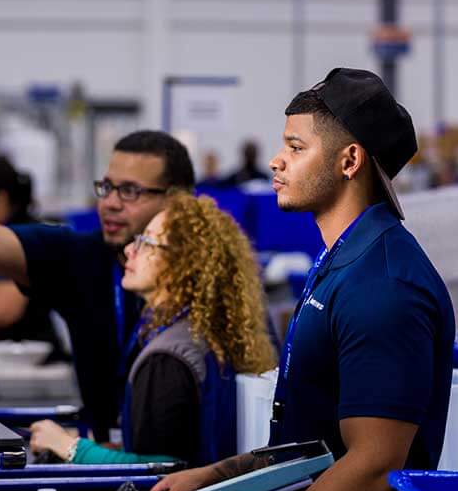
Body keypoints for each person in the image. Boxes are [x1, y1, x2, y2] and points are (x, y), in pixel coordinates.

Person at [150, 68, 456, 491]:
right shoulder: (343, 261)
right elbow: (314, 443)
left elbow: (373, 465)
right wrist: (217, 477)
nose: (276, 161)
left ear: (348, 161)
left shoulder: (384, 285)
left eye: (296, 148)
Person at [0, 131, 196, 441]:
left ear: (177, 201)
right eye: (106, 188)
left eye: (130, 191)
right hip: (111, 459)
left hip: (186, 474)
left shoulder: (211, 283)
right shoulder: (81, 258)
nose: (109, 204)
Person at [28, 193, 276, 465]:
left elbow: (159, 474)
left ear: (182, 263)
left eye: (146, 243)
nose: (128, 251)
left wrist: (68, 446)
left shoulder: (167, 359)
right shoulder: (204, 333)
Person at [0, 155, 68, 363]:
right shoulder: (15, 230)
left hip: (29, 358)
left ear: (0, 198)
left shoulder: (16, 239)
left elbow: (5, 311)